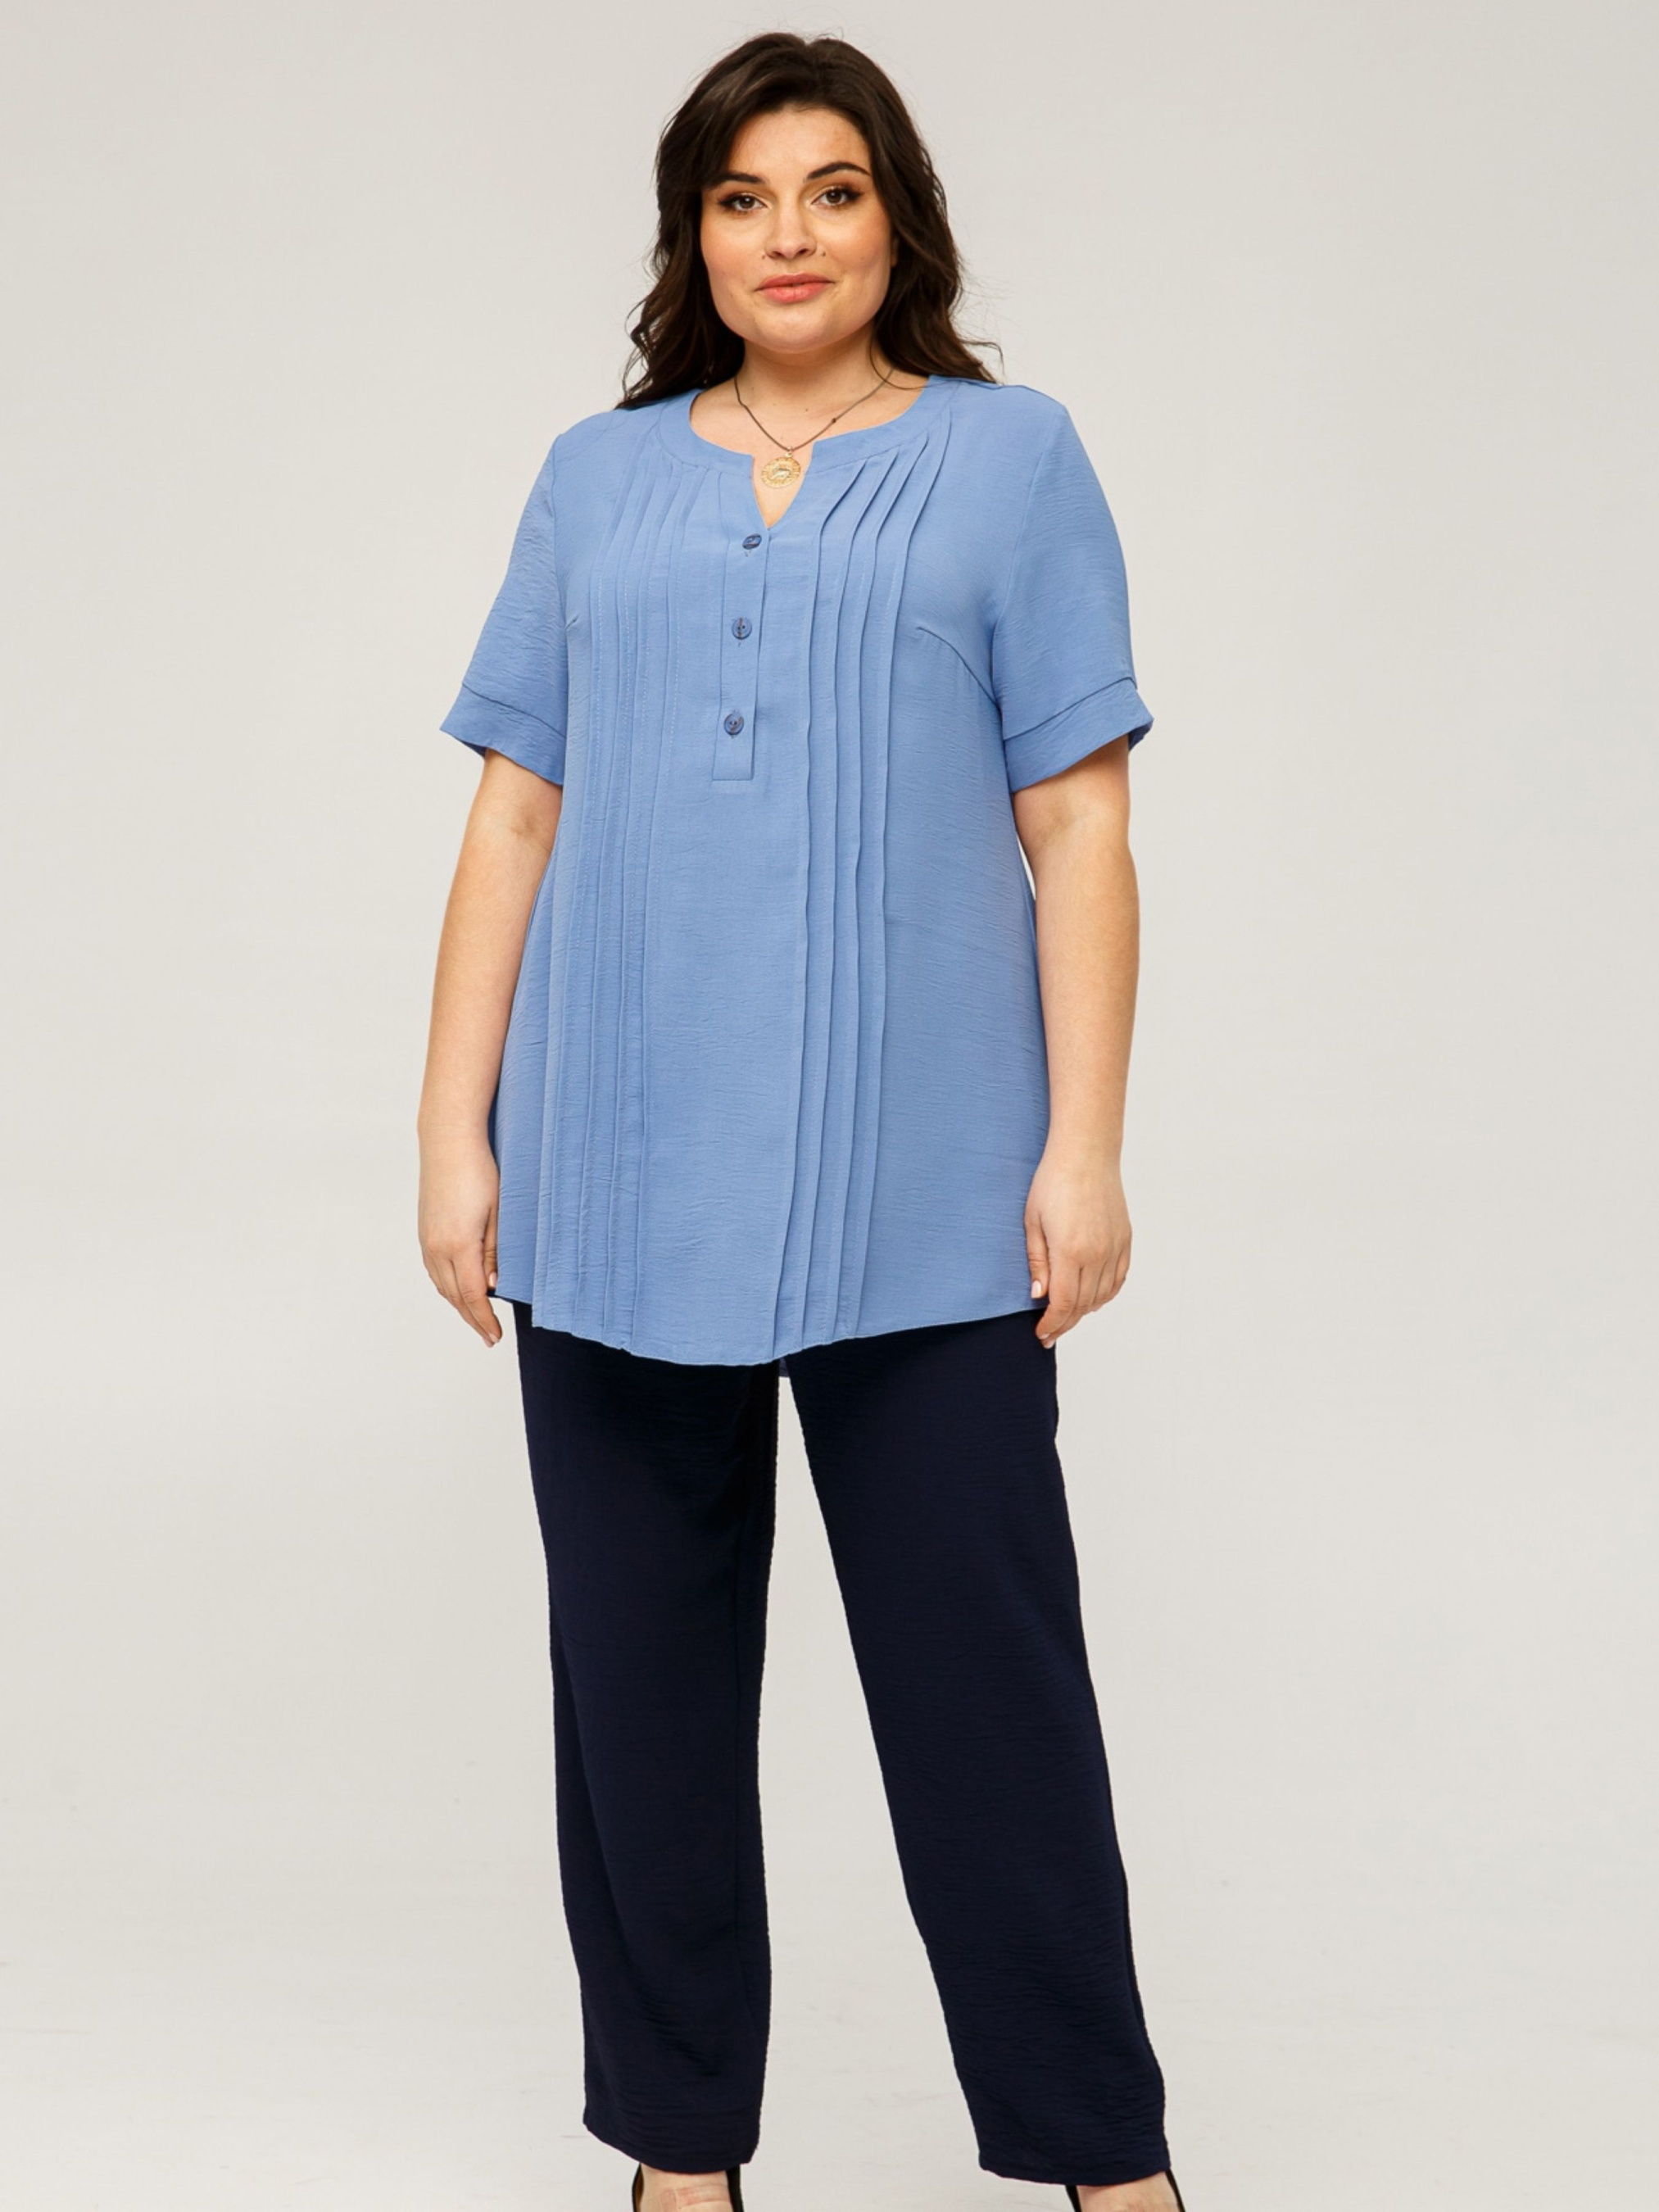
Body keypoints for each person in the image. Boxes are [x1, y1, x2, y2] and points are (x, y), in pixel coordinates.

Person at [417, 31, 1184, 2212]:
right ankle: (681, 2164)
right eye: (743, 197)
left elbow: (1080, 821)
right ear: (695, 231)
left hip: (926, 1190)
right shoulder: (595, 477)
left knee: (988, 1704)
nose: (788, 236)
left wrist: (1084, 1147)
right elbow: (514, 812)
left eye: (831, 191)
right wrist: (453, 1135)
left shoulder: (1013, 459)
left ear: (892, 218)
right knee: (640, 1707)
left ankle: (1105, 2162)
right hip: (614, 1170)